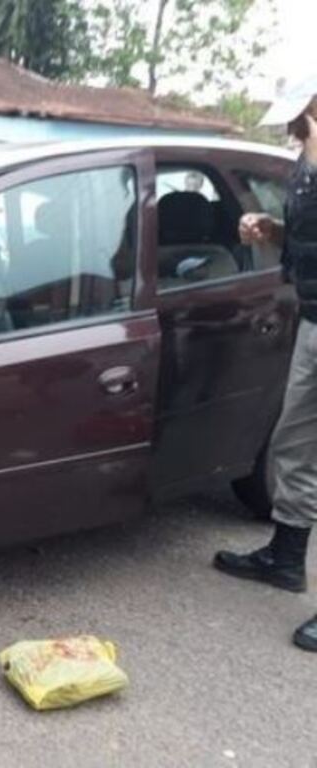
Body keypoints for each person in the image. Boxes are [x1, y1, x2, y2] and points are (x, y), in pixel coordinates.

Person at [212, 77, 317, 652]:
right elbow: (306, 241)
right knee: (295, 444)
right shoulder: (302, 163)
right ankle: (286, 556)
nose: (287, 126)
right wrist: (270, 231)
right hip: (313, 320)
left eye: (296, 115)